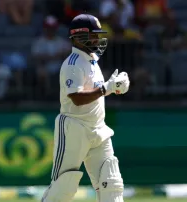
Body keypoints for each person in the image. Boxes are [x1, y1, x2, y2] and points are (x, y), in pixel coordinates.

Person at [41, 14, 130, 202]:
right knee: (63, 186)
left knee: (111, 183)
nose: (97, 39)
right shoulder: (72, 64)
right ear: (78, 37)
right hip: (75, 128)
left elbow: (96, 90)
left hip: (98, 128)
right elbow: (76, 99)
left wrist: (116, 86)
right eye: (93, 35)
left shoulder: (92, 60)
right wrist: (107, 88)